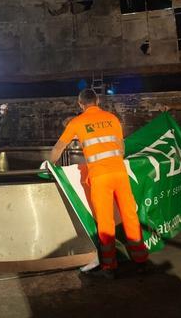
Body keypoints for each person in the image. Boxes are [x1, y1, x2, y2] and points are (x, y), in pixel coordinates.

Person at [49, 89, 148, 278]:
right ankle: (141, 260)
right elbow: (121, 148)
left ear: (80, 104)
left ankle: (110, 267)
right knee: (130, 216)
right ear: (98, 100)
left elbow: (58, 148)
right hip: (120, 173)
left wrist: (50, 166)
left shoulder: (77, 122)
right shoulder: (112, 118)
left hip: (99, 177)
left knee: (105, 223)